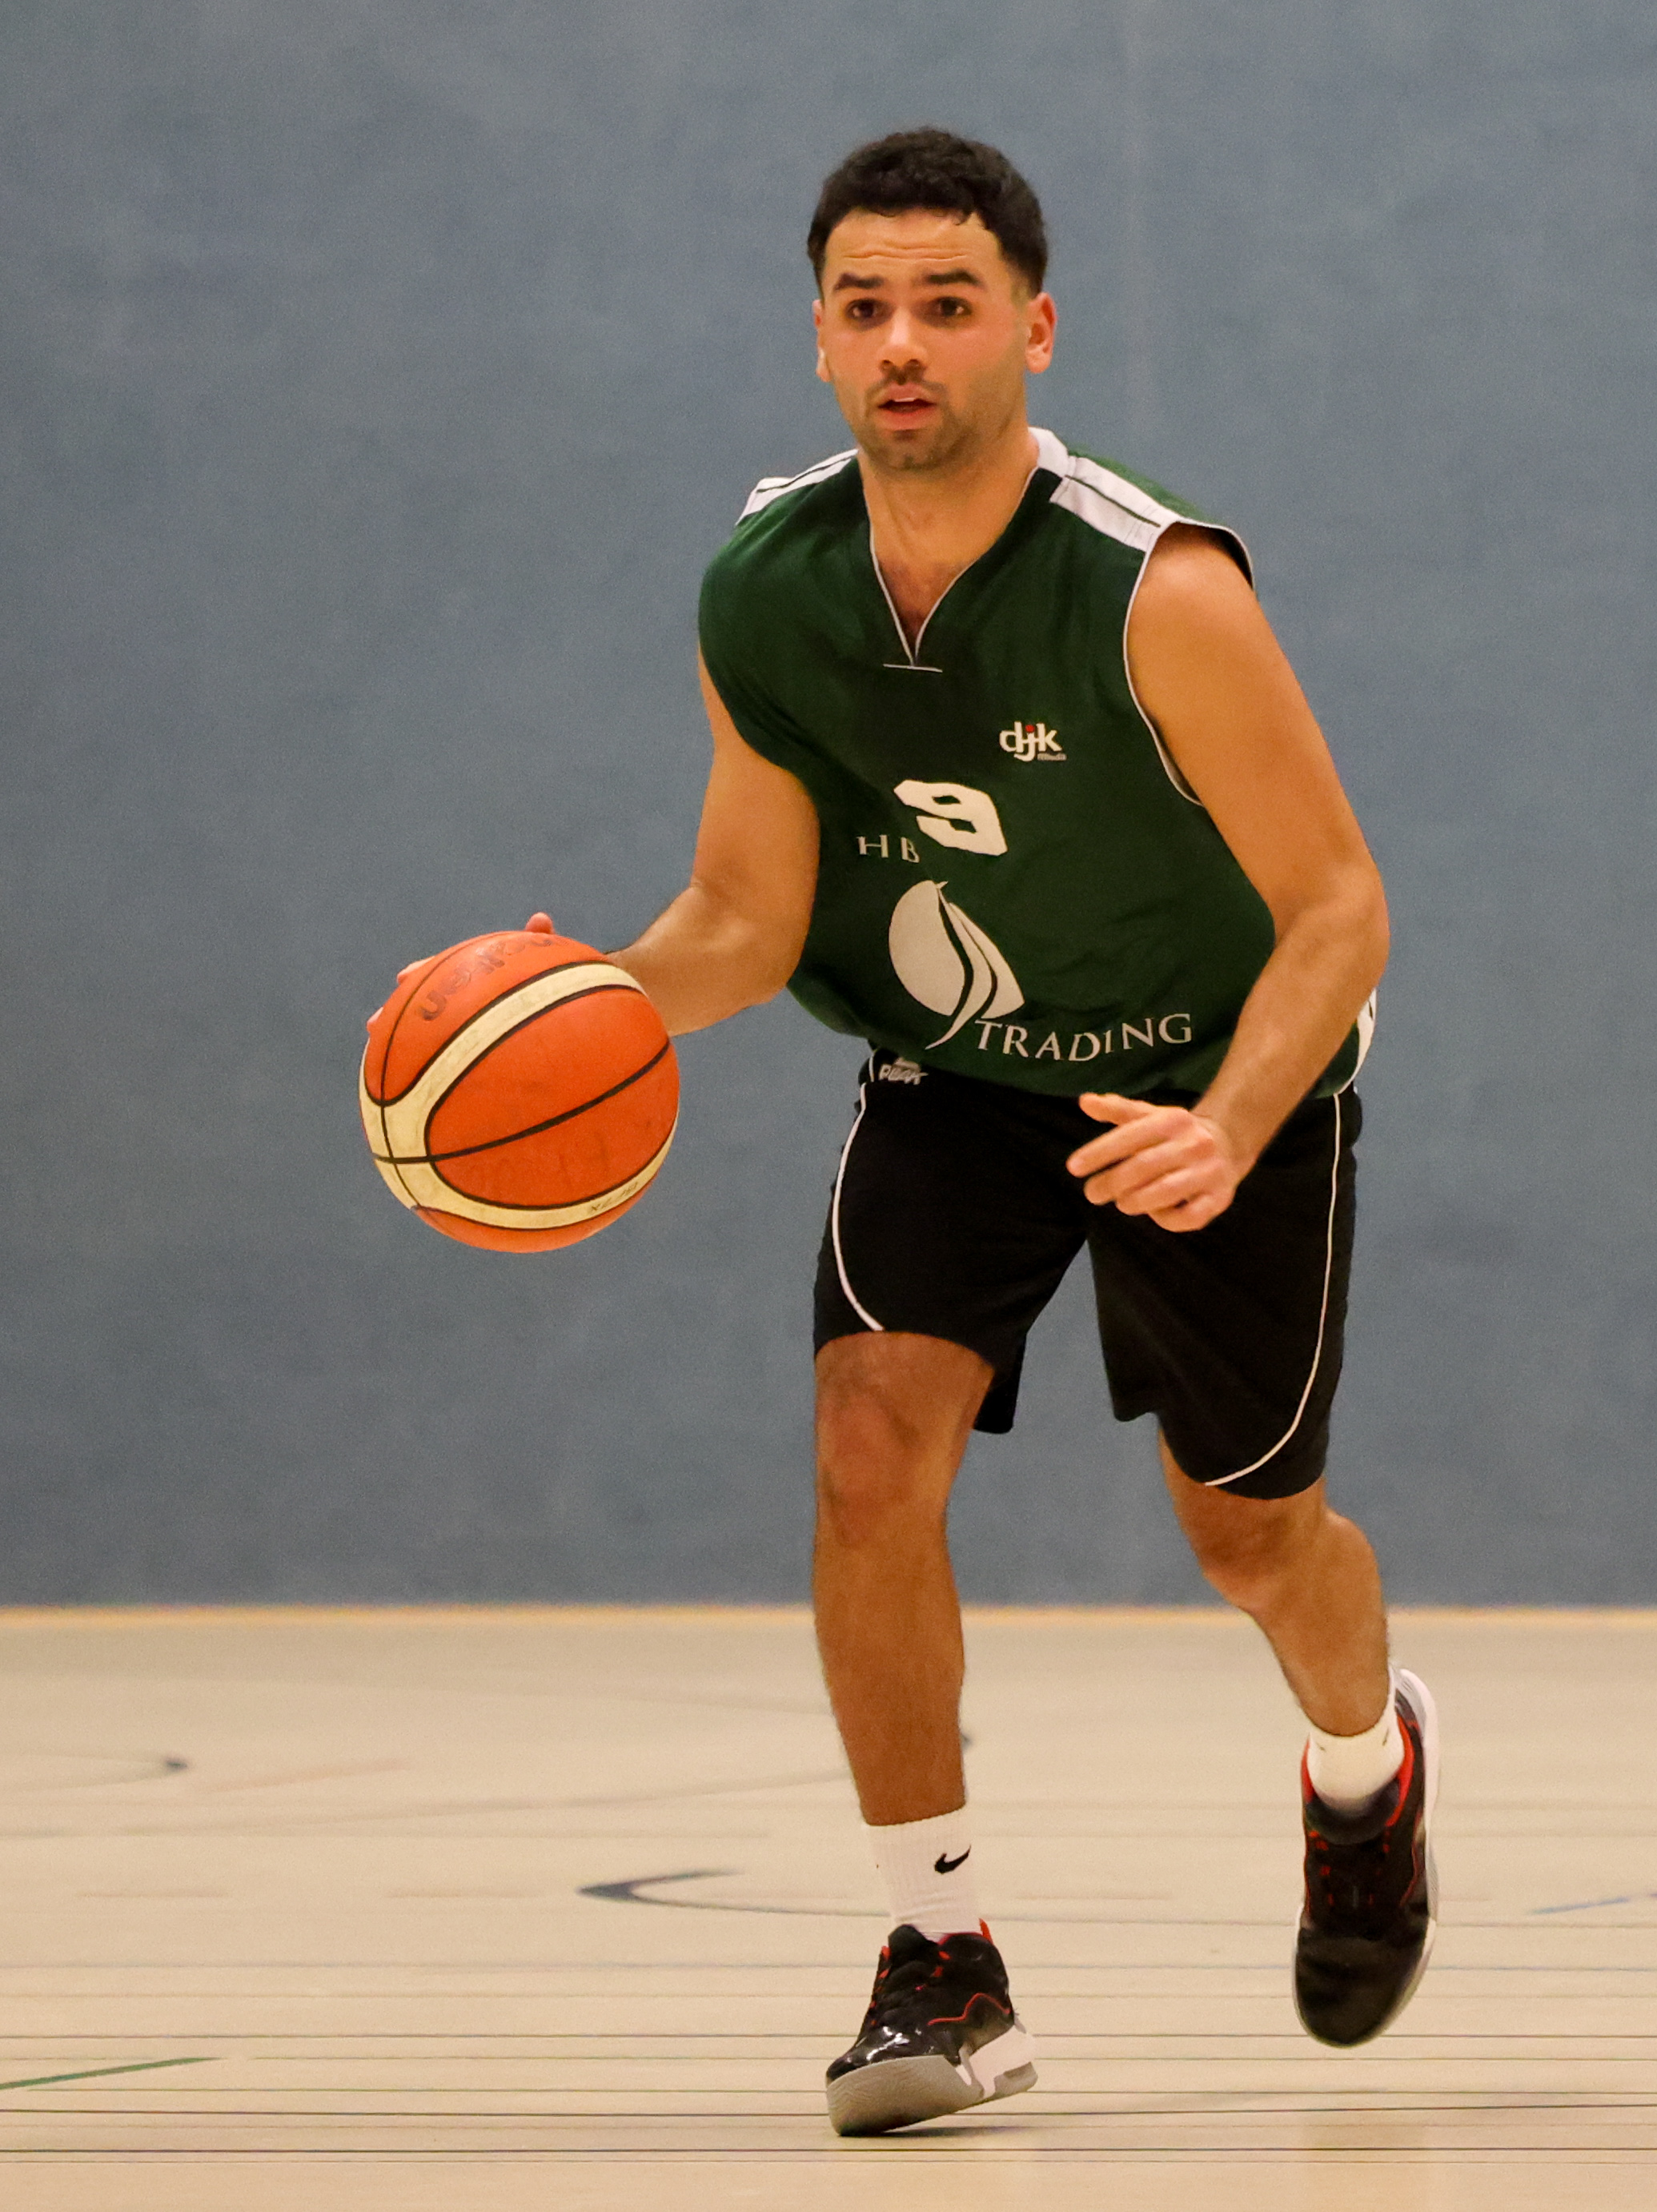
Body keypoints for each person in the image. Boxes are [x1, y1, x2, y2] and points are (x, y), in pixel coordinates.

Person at [594, 127, 1438, 2138]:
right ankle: (939, 1952)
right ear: (818, 339)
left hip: (1205, 1074)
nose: (903, 342)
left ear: (1031, 333)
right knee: (865, 1447)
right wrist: (574, 1007)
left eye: (947, 305)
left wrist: (1226, 1121)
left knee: (1249, 1536)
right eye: (864, 306)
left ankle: (1364, 1770)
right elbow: (746, 918)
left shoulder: (1156, 587)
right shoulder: (766, 588)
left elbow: (1339, 907)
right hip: (958, 1071)